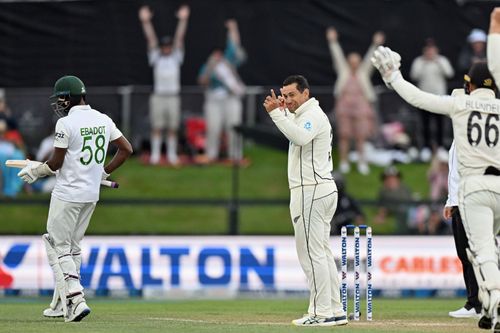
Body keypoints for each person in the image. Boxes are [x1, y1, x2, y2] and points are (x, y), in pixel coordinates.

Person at [372, 47, 500, 330]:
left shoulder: (461, 104)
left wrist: (393, 77)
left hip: (475, 188)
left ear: (469, 85)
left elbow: (419, 99)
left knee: (481, 251)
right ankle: (491, 303)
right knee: (491, 248)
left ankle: (493, 301)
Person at [17, 75, 133, 322]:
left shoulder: (66, 123)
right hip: (91, 194)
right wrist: (104, 171)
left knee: (57, 245)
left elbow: (56, 163)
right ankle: (62, 303)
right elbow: (126, 149)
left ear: (67, 98)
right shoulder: (103, 119)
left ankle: (76, 299)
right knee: (73, 247)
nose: (58, 103)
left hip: (67, 193)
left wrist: (36, 171)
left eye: (60, 98)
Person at [263, 75, 347, 327]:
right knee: (320, 253)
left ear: (305, 94)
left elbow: (299, 137)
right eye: (284, 95)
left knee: (311, 255)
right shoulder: (303, 115)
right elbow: (296, 129)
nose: (287, 100)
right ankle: (334, 309)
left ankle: (321, 313)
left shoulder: (313, 115)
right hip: (315, 190)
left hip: (312, 190)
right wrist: (282, 112)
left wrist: (276, 115)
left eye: (292, 95)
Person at [326, 27, 385, 175]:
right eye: (351, 62)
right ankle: (344, 161)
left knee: (361, 136)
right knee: (344, 135)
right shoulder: (343, 71)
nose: (354, 64)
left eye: (356, 62)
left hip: (361, 108)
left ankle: (362, 162)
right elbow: (337, 56)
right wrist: (332, 41)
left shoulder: (363, 72)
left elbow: (370, 58)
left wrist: (375, 44)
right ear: (348, 62)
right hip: (344, 107)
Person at [139, 4, 190, 165]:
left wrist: (183, 20)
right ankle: (155, 155)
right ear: (162, 47)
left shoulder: (176, 57)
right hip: (158, 96)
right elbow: (151, 39)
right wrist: (145, 22)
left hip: (173, 96)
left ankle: (171, 155)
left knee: (172, 128)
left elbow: (180, 38)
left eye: (169, 46)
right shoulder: (156, 57)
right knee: (157, 126)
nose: (167, 48)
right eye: (165, 46)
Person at [198, 19, 246, 164]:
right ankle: (211, 154)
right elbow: (202, 82)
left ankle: (235, 155)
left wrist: (233, 28)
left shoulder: (228, 61)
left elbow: (235, 45)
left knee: (234, 127)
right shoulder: (208, 66)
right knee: (213, 128)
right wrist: (210, 68)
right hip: (213, 100)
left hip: (231, 99)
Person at [444, 140, 481, 318]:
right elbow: (455, 173)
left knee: (475, 254)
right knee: (465, 254)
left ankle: (480, 304)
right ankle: (474, 303)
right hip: (459, 202)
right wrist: (450, 201)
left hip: (472, 200)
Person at [409, 38, 454, 161]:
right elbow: (414, 75)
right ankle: (427, 148)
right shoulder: (419, 61)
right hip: (423, 98)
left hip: (439, 98)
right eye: (427, 49)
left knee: (440, 124)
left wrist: (437, 61)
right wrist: (424, 62)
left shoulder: (442, 60)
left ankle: (440, 147)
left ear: (436, 49)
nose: (429, 51)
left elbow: (449, 73)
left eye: (432, 49)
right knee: (425, 124)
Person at [373, 166, 414, 234]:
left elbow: (410, 200)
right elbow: (382, 206)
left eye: (393, 177)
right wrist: (381, 215)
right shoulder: (383, 191)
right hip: (400, 212)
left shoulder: (405, 189)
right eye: (388, 178)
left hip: (409, 210)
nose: (391, 180)